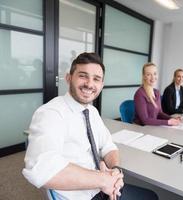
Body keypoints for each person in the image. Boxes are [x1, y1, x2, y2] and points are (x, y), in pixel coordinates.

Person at [23, 53, 158, 200]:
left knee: (151, 196)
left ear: (102, 85)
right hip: (81, 195)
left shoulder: (92, 111)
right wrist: (103, 180)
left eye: (96, 79)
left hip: (104, 187)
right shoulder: (51, 113)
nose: (89, 84)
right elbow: (41, 169)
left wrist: (115, 172)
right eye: (83, 76)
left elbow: (108, 146)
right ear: (69, 78)